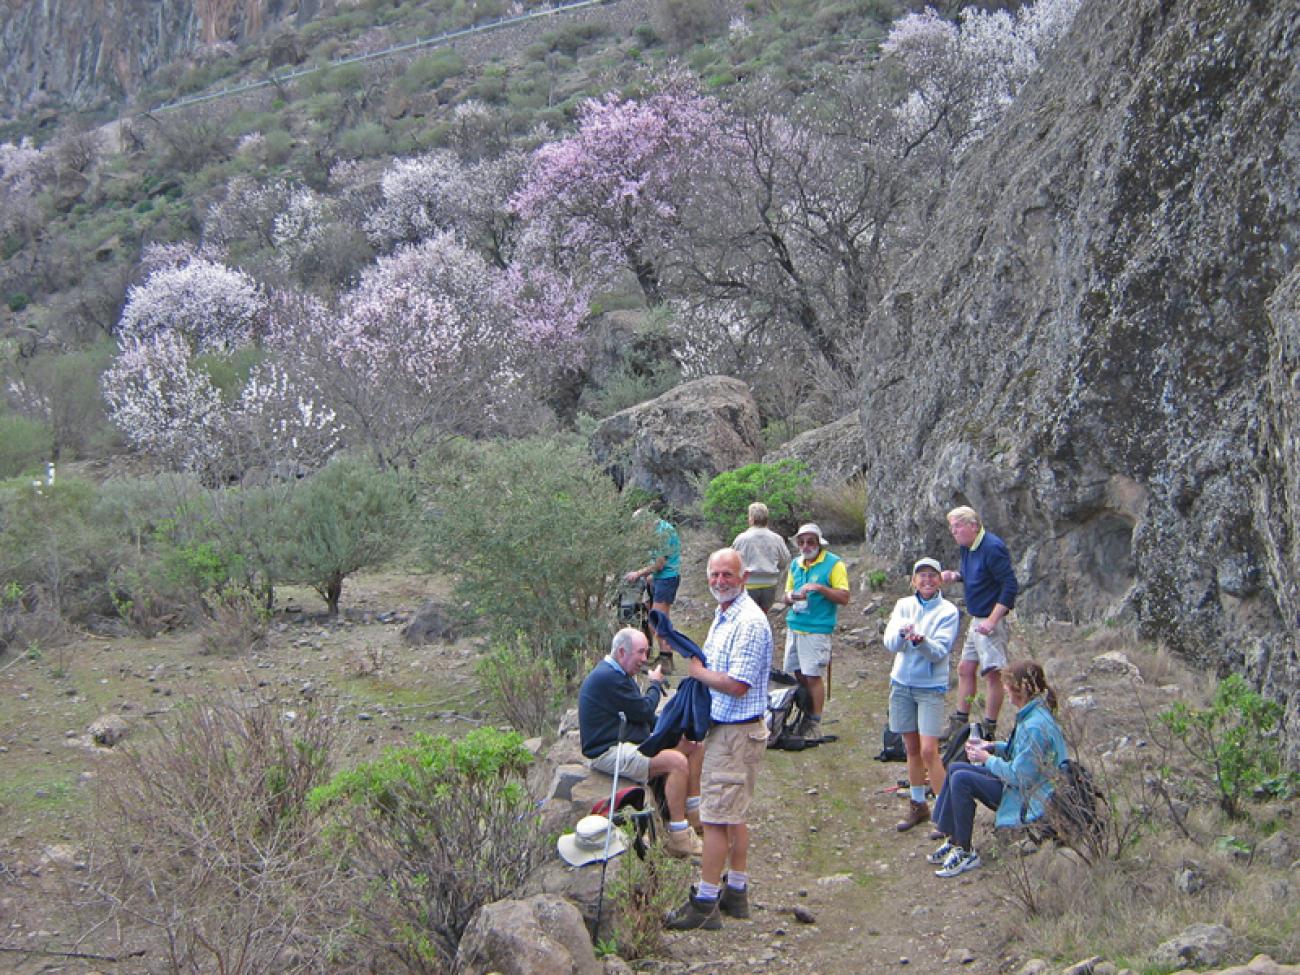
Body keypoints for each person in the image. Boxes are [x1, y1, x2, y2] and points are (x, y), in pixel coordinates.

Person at [665, 548, 773, 930]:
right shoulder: (725, 614)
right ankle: (736, 892)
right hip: (730, 729)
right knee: (733, 815)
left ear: (743, 578)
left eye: (727, 575)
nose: (719, 582)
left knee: (714, 819)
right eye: (714, 575)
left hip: (736, 733)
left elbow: (737, 685)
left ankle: (705, 903)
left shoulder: (749, 622)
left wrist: (697, 673)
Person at [927, 660, 1067, 877]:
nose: (1004, 690)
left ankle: (965, 852)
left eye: (1008, 685)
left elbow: (1019, 776)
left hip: (1028, 797)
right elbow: (1020, 754)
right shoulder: (1034, 714)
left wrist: (986, 758)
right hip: (1024, 786)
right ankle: (954, 838)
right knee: (956, 768)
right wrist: (992, 747)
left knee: (962, 779)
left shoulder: (1034, 726)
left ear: (1021, 689)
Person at [577, 627, 703, 858]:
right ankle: (679, 837)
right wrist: (655, 684)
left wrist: (673, 731)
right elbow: (645, 709)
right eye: (641, 653)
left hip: (626, 743)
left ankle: (694, 815)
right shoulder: (609, 678)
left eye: (647, 653)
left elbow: (643, 717)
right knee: (676, 762)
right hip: (607, 752)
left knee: (693, 745)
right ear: (622, 652)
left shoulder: (618, 675)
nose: (645, 659)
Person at [882, 557, 960, 832]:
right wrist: (904, 636)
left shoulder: (948, 611)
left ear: (940, 580)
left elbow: (940, 651)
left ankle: (944, 811)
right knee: (911, 747)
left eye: (932, 575)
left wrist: (921, 641)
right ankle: (917, 805)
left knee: (930, 750)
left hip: (930, 687)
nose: (927, 580)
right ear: (913, 580)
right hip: (902, 683)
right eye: (921, 575)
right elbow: (890, 644)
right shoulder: (903, 606)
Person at [941, 506, 1019, 740]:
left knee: (992, 674)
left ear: (973, 526)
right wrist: (955, 576)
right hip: (976, 618)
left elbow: (1010, 586)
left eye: (957, 526)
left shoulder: (992, 548)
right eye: (952, 527)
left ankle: (988, 728)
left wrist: (993, 621)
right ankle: (960, 723)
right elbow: (977, 574)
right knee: (965, 669)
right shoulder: (968, 547)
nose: (954, 532)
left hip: (991, 619)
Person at [782, 523, 850, 741]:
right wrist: (790, 597)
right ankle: (804, 713)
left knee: (813, 675)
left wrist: (820, 589)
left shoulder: (833, 564)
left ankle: (814, 722)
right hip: (795, 625)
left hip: (817, 628)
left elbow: (844, 597)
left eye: (810, 541)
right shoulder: (796, 564)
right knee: (797, 673)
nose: (805, 546)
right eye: (801, 542)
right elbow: (785, 594)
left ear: (819, 543)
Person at [624, 508, 682, 668]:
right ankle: (665, 655)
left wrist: (638, 574)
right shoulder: (657, 530)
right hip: (660, 578)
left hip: (667, 579)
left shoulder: (662, 532)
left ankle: (666, 658)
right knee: (658, 619)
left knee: (656, 621)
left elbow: (659, 563)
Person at [731, 502, 791, 613]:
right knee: (763, 615)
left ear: (752, 519)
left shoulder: (741, 539)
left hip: (748, 584)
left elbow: (732, 561)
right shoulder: (776, 538)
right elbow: (786, 560)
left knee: (748, 616)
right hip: (770, 584)